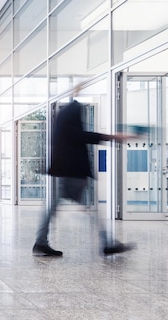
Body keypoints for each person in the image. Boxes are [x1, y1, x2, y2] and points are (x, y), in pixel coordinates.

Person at [33, 95, 136, 256]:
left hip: (68, 171)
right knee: (89, 208)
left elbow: (78, 136)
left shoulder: (63, 120)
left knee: (56, 207)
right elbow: (82, 136)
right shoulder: (71, 122)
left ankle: (41, 242)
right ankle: (108, 243)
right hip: (74, 172)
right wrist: (114, 137)